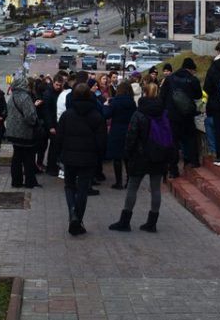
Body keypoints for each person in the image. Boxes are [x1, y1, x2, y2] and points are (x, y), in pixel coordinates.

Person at [109, 83, 175, 233]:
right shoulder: (163, 112)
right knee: (156, 188)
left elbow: (131, 136)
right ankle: (152, 222)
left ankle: (125, 221)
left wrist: (128, 153)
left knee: (132, 187)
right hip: (158, 155)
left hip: (140, 155)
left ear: (144, 93)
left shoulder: (139, 113)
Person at [55, 83, 106, 236]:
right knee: (83, 189)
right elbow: (102, 140)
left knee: (69, 186)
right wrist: (99, 157)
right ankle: (78, 218)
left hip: (69, 157)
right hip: (88, 158)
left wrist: (59, 155)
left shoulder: (67, 115)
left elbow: (59, 138)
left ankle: (73, 213)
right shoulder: (96, 116)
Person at [161, 57, 203, 175]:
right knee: (190, 138)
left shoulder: (169, 79)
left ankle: (173, 169)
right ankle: (192, 161)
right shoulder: (193, 80)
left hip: (172, 116)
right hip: (187, 115)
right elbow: (198, 95)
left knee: (173, 142)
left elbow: (162, 97)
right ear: (191, 69)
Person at [4, 76, 41, 188]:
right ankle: (30, 182)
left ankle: (16, 182)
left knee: (17, 158)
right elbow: (30, 116)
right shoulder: (25, 97)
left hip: (13, 133)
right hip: (25, 133)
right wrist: (35, 121)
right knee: (28, 158)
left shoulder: (12, 96)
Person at [103, 81, 137, 189]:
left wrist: (106, 106)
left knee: (117, 158)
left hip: (117, 130)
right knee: (127, 157)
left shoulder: (115, 101)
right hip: (128, 130)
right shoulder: (132, 102)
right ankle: (129, 181)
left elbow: (107, 115)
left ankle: (118, 182)